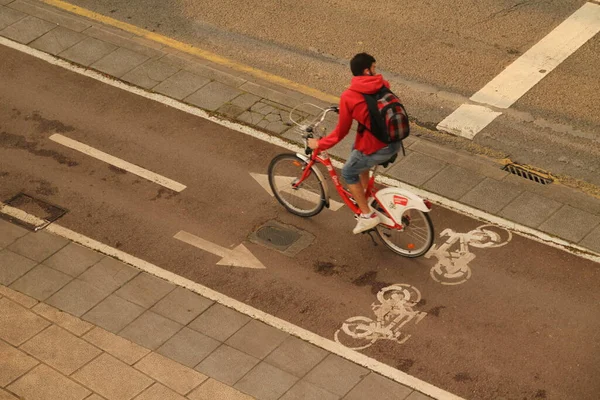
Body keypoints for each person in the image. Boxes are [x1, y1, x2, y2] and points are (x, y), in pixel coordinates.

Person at [308, 53, 402, 234]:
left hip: (377, 147)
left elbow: (340, 133)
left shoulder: (349, 96)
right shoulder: (383, 85)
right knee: (356, 151)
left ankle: (367, 216)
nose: (376, 71)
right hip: (394, 140)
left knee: (349, 173)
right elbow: (372, 108)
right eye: (374, 68)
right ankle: (366, 193)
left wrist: (320, 144)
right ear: (366, 71)